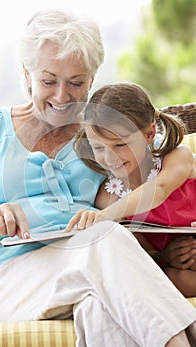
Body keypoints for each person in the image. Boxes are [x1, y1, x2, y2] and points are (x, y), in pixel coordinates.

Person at [0, 10, 195, 347]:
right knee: (103, 235)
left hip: (99, 269)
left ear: (92, 78)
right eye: (48, 81)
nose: (61, 96)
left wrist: (171, 251)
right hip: (15, 281)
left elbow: (159, 178)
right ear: (26, 73)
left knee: (99, 310)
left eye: (76, 82)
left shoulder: (104, 134)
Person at [66, 82, 196, 298]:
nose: (109, 158)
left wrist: (107, 215)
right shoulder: (109, 197)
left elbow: (160, 189)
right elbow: (144, 252)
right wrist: (167, 255)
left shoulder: (177, 158)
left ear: (149, 134)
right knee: (168, 278)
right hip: (183, 266)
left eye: (120, 145)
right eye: (98, 147)